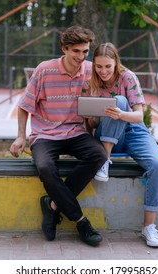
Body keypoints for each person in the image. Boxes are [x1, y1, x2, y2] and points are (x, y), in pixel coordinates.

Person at [9, 26, 107, 247]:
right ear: (64, 49)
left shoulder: (91, 71)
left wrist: (95, 117)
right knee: (45, 168)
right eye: (76, 51)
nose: (81, 57)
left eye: (85, 51)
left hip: (76, 132)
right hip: (45, 134)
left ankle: (52, 205)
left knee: (99, 155)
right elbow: (25, 106)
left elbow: (117, 72)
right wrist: (20, 137)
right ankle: (81, 221)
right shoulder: (44, 70)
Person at [87, 42, 158, 247]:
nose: (103, 71)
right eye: (98, 66)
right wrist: (90, 119)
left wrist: (120, 114)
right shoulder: (91, 81)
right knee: (118, 104)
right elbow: (94, 124)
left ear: (116, 63)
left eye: (108, 66)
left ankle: (148, 227)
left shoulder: (128, 77)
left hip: (134, 130)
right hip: (107, 132)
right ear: (94, 64)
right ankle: (103, 159)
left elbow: (139, 115)